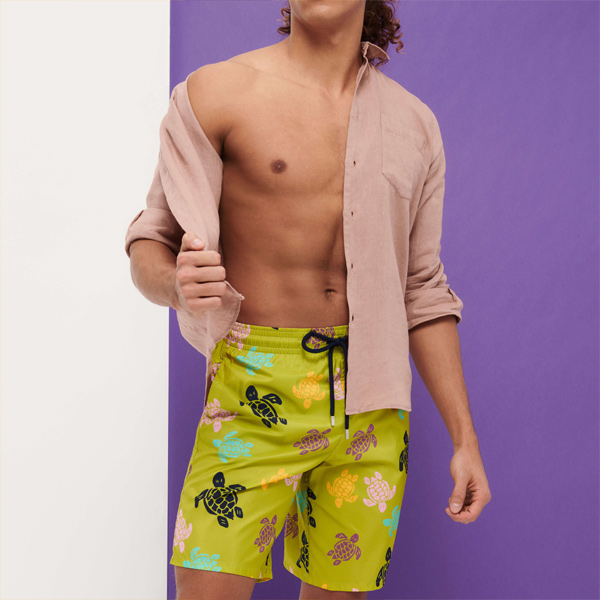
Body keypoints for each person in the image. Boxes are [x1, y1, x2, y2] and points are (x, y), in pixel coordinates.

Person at [125, 1, 491, 598]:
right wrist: (175, 285)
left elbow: (422, 290)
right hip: (254, 390)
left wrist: (464, 441)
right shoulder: (216, 94)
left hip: (373, 401)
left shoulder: (415, 124)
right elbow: (151, 239)